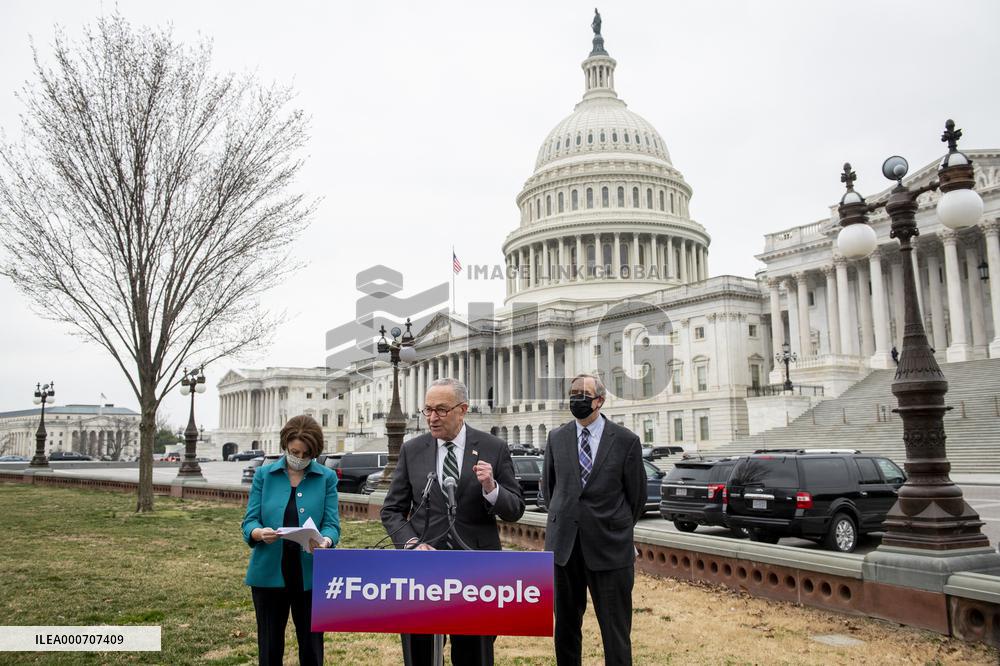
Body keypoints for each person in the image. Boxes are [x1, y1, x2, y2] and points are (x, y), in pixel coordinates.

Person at [381, 378, 525, 666]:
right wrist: (411, 544)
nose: (432, 418)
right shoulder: (413, 450)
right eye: (428, 410)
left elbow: (516, 509)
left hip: (476, 573)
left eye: (441, 410)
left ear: (463, 410)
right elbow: (392, 510)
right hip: (423, 572)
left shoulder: (492, 447)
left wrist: (492, 489)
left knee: (474, 655)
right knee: (420, 653)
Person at [543, 373, 647, 666]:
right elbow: (550, 491)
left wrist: (613, 525)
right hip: (564, 550)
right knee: (565, 630)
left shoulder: (626, 440)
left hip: (609, 549)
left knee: (615, 632)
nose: (576, 398)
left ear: (599, 400)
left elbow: (636, 497)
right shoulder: (557, 437)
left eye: (583, 394)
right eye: (573, 392)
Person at [241, 415, 340, 666]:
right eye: (294, 451)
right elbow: (249, 521)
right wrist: (259, 533)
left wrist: (326, 541)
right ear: (285, 446)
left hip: (309, 574)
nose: (298, 457)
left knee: (311, 647)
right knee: (270, 646)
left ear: (314, 453)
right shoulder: (264, 474)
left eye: (305, 454)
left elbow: (332, 525)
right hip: (269, 573)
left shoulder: (326, 477)